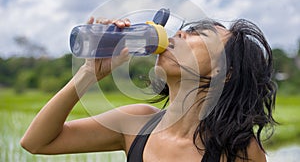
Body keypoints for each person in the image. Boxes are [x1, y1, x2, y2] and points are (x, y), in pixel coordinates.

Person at [20, 15, 277, 162]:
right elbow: (36, 142)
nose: (180, 35)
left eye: (201, 34)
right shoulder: (136, 123)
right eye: (184, 30)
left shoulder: (239, 152)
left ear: (223, 71)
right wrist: (89, 73)